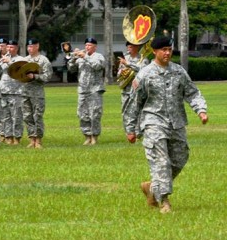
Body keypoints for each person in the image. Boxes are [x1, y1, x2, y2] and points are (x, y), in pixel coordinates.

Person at [123, 36, 208, 214]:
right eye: (163, 50)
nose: (167, 53)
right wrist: (130, 129)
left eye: (169, 49)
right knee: (161, 162)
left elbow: (192, 93)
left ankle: (152, 188)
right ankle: (164, 202)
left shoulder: (178, 72)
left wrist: (201, 110)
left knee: (179, 158)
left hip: (176, 123)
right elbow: (134, 102)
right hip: (153, 122)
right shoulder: (145, 74)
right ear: (154, 51)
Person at [67, 37, 106, 145]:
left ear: (95, 47)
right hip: (82, 90)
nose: (87, 47)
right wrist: (73, 58)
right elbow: (71, 69)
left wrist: (85, 57)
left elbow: (98, 66)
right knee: (82, 114)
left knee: (95, 114)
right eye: (86, 45)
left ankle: (94, 136)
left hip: (95, 89)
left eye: (89, 45)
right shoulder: (80, 58)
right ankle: (87, 136)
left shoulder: (98, 56)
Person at [21, 38, 53, 149]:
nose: (29, 49)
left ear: (37, 46)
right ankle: (31, 139)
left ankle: (38, 140)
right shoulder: (24, 60)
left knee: (37, 115)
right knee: (27, 116)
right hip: (25, 92)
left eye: (32, 46)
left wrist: (35, 76)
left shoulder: (43, 60)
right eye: (28, 47)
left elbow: (47, 76)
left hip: (37, 93)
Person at [0, 39, 25, 145]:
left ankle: (17, 137)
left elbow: (21, 71)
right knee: (5, 116)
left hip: (16, 91)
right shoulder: (3, 59)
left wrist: (9, 62)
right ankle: (8, 136)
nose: (9, 49)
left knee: (16, 116)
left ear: (16, 48)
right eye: (8, 47)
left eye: (11, 47)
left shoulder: (20, 59)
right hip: (3, 91)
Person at [117, 41, 149, 112]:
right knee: (124, 111)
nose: (128, 49)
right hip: (126, 90)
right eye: (127, 47)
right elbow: (119, 72)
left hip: (137, 90)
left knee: (136, 111)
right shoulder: (125, 58)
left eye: (131, 47)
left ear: (137, 47)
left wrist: (127, 63)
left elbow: (143, 70)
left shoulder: (143, 58)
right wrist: (121, 72)